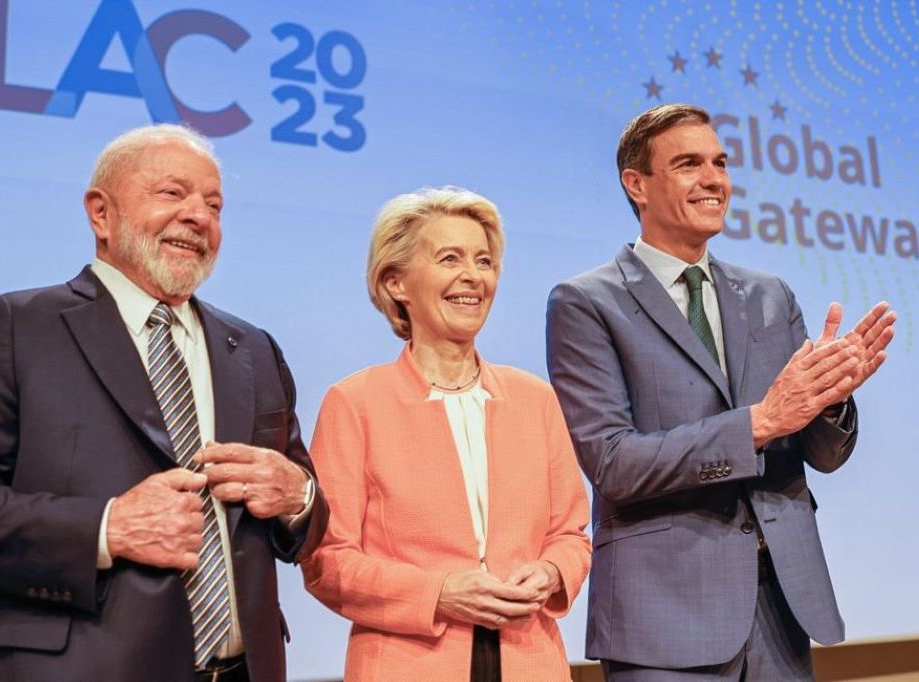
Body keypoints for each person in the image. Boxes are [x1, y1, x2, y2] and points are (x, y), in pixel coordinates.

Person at [0, 124, 328, 682]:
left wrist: (297, 496)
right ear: (100, 214)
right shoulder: (16, 326)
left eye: (214, 204)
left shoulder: (252, 347)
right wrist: (107, 528)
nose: (198, 216)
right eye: (173, 194)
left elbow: (306, 519)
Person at [546, 103, 896, 680]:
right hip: (665, 620)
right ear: (637, 184)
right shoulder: (587, 303)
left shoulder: (770, 296)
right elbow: (613, 462)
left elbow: (823, 455)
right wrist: (758, 423)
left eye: (720, 163)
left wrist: (830, 398)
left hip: (780, 614)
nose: (714, 180)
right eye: (689, 164)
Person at [302, 186, 592, 680]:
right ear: (395, 283)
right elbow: (328, 561)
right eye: (449, 258)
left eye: (484, 261)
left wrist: (549, 572)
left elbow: (571, 535)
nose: (473, 277)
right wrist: (440, 593)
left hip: (531, 660)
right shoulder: (354, 403)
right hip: (405, 663)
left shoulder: (535, 398)